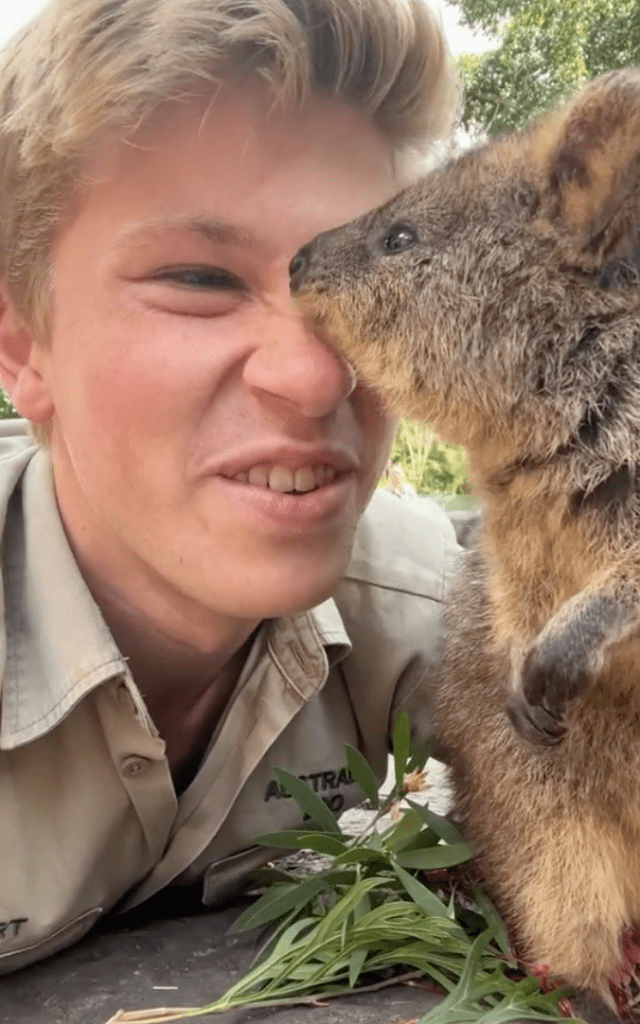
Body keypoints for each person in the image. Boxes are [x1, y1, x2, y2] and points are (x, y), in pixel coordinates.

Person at [0, 0, 461, 972]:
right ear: (21, 342)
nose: (316, 376)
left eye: (366, 290)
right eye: (201, 280)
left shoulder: (427, 629)